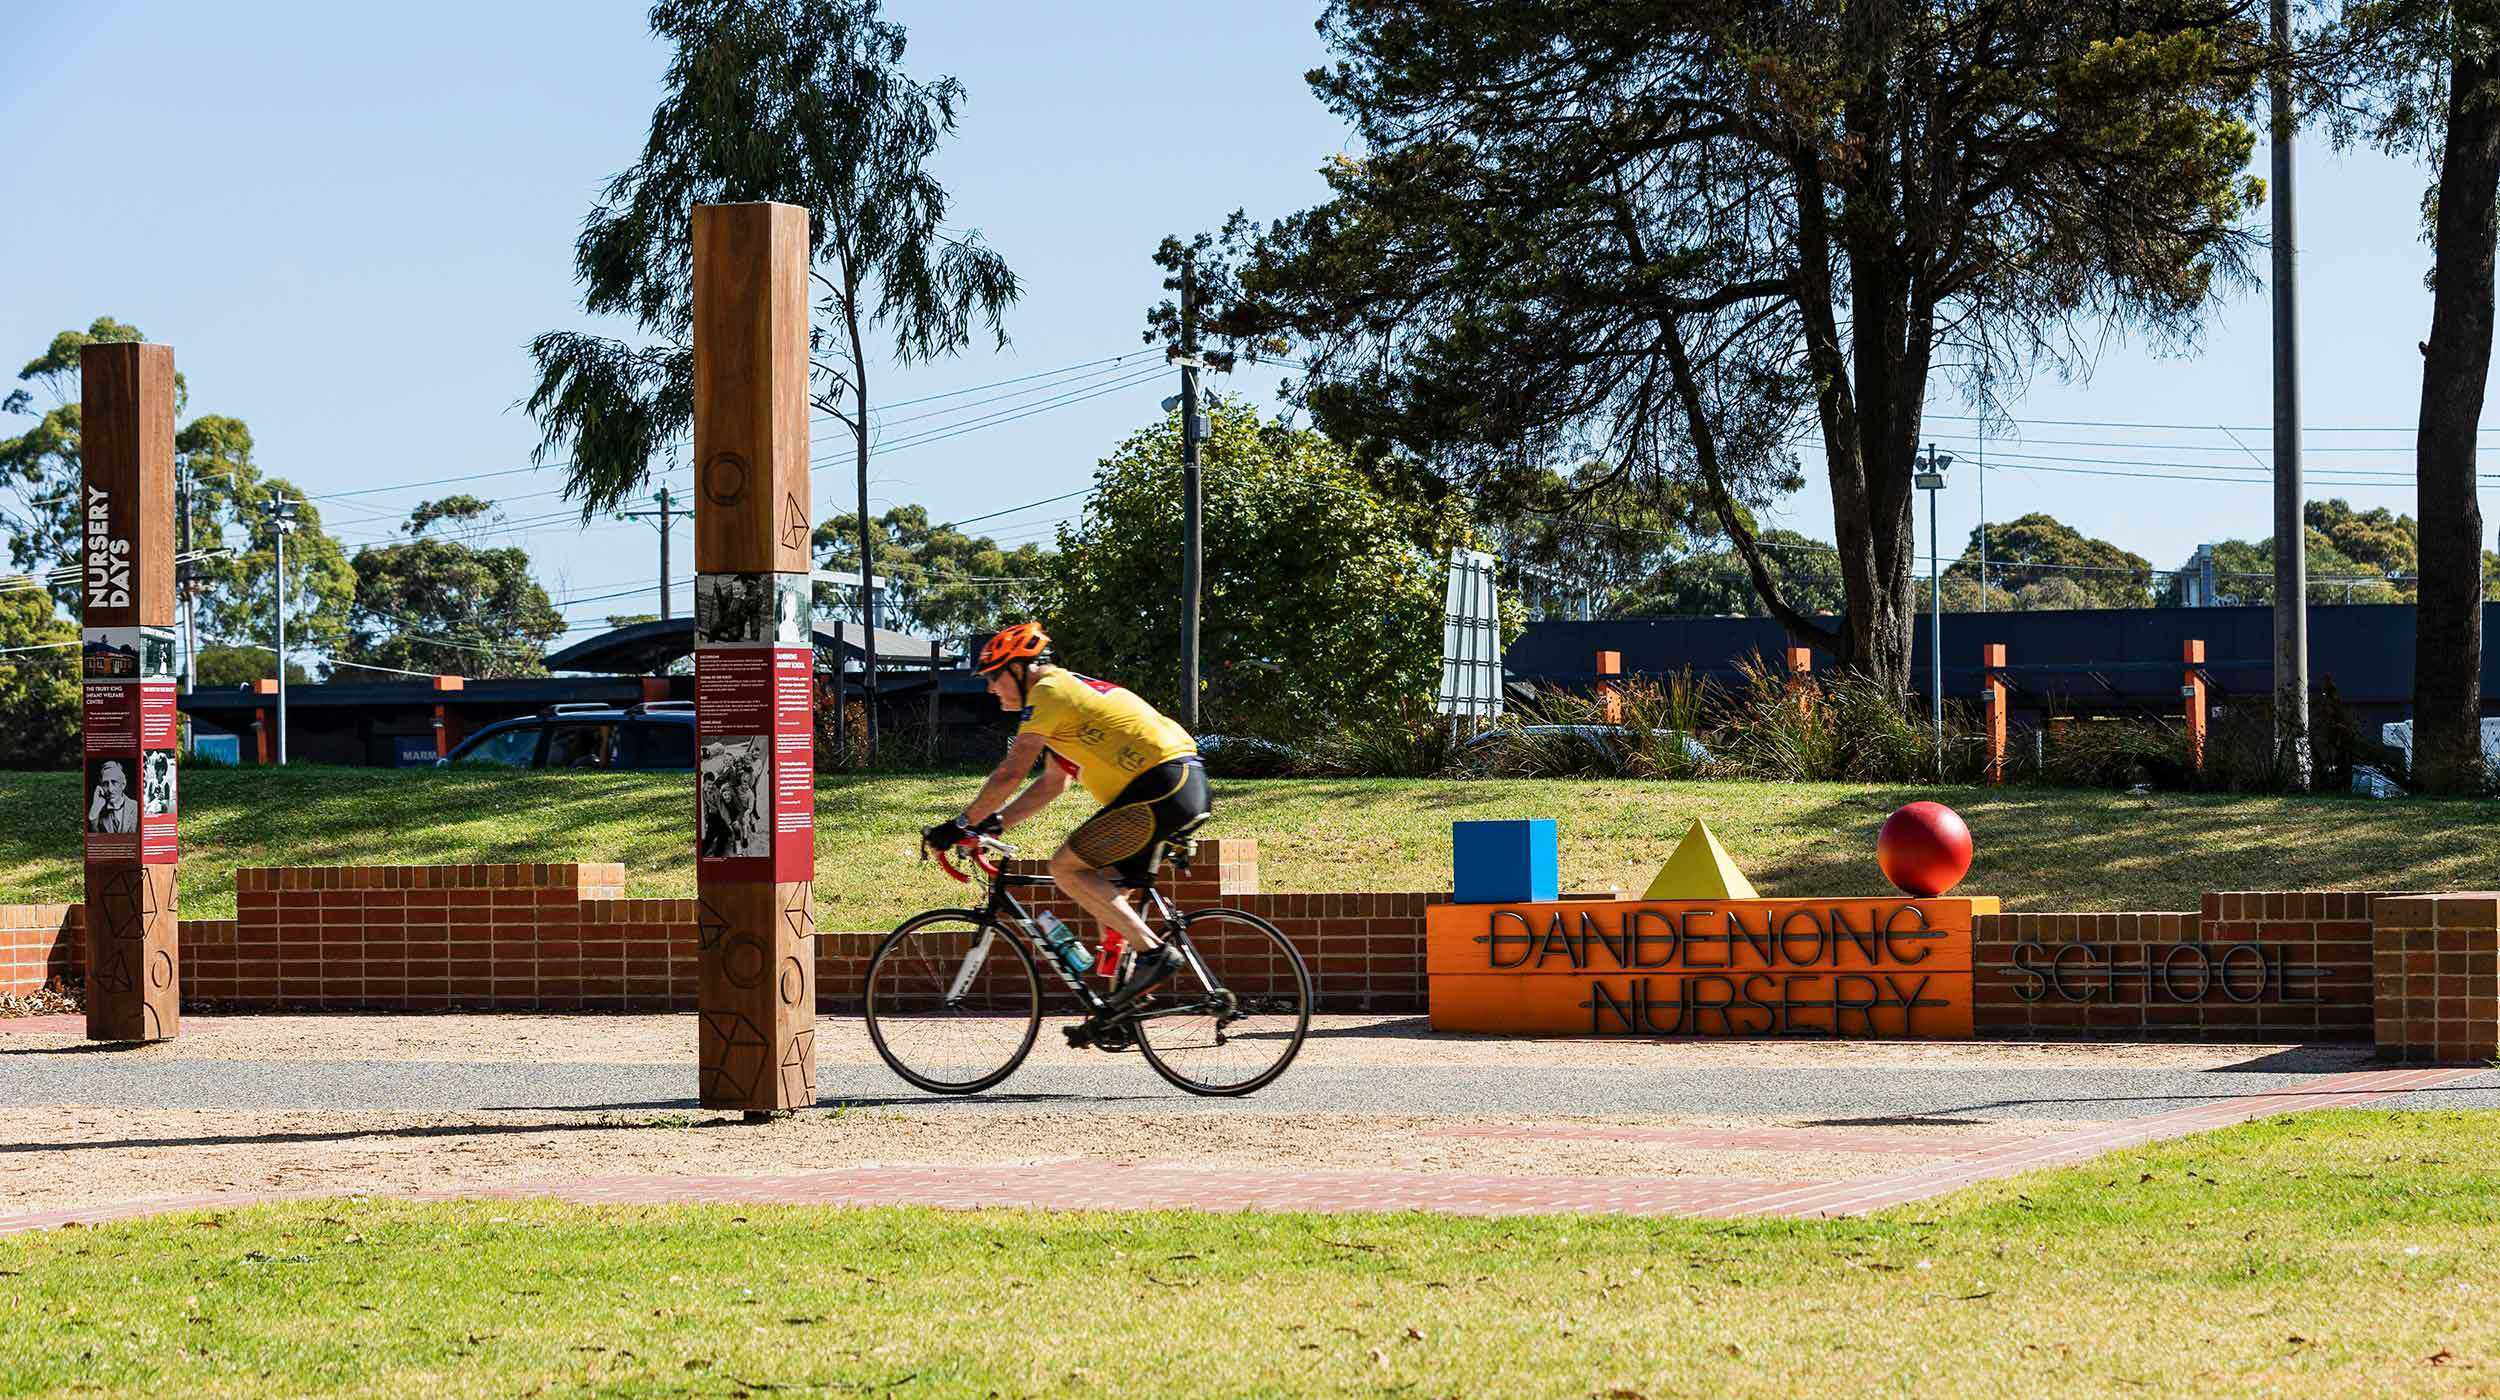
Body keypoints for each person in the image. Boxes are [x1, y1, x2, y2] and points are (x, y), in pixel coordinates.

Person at [923, 622, 1207, 1029]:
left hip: (1163, 785)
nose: (990, 689)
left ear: (1018, 670)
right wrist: (994, 826)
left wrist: (960, 824)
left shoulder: (1049, 692)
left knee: (1065, 868)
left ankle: (1154, 955)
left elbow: (1011, 771)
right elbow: (1052, 785)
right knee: (1106, 894)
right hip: (1174, 786)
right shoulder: (1063, 702)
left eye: (992, 677)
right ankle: (1124, 1006)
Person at [88, 760, 138, 834]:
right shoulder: (98, 811)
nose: (110, 789)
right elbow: (95, 839)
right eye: (105, 784)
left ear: (123, 785)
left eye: (114, 782)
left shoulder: (136, 807)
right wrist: (95, 809)